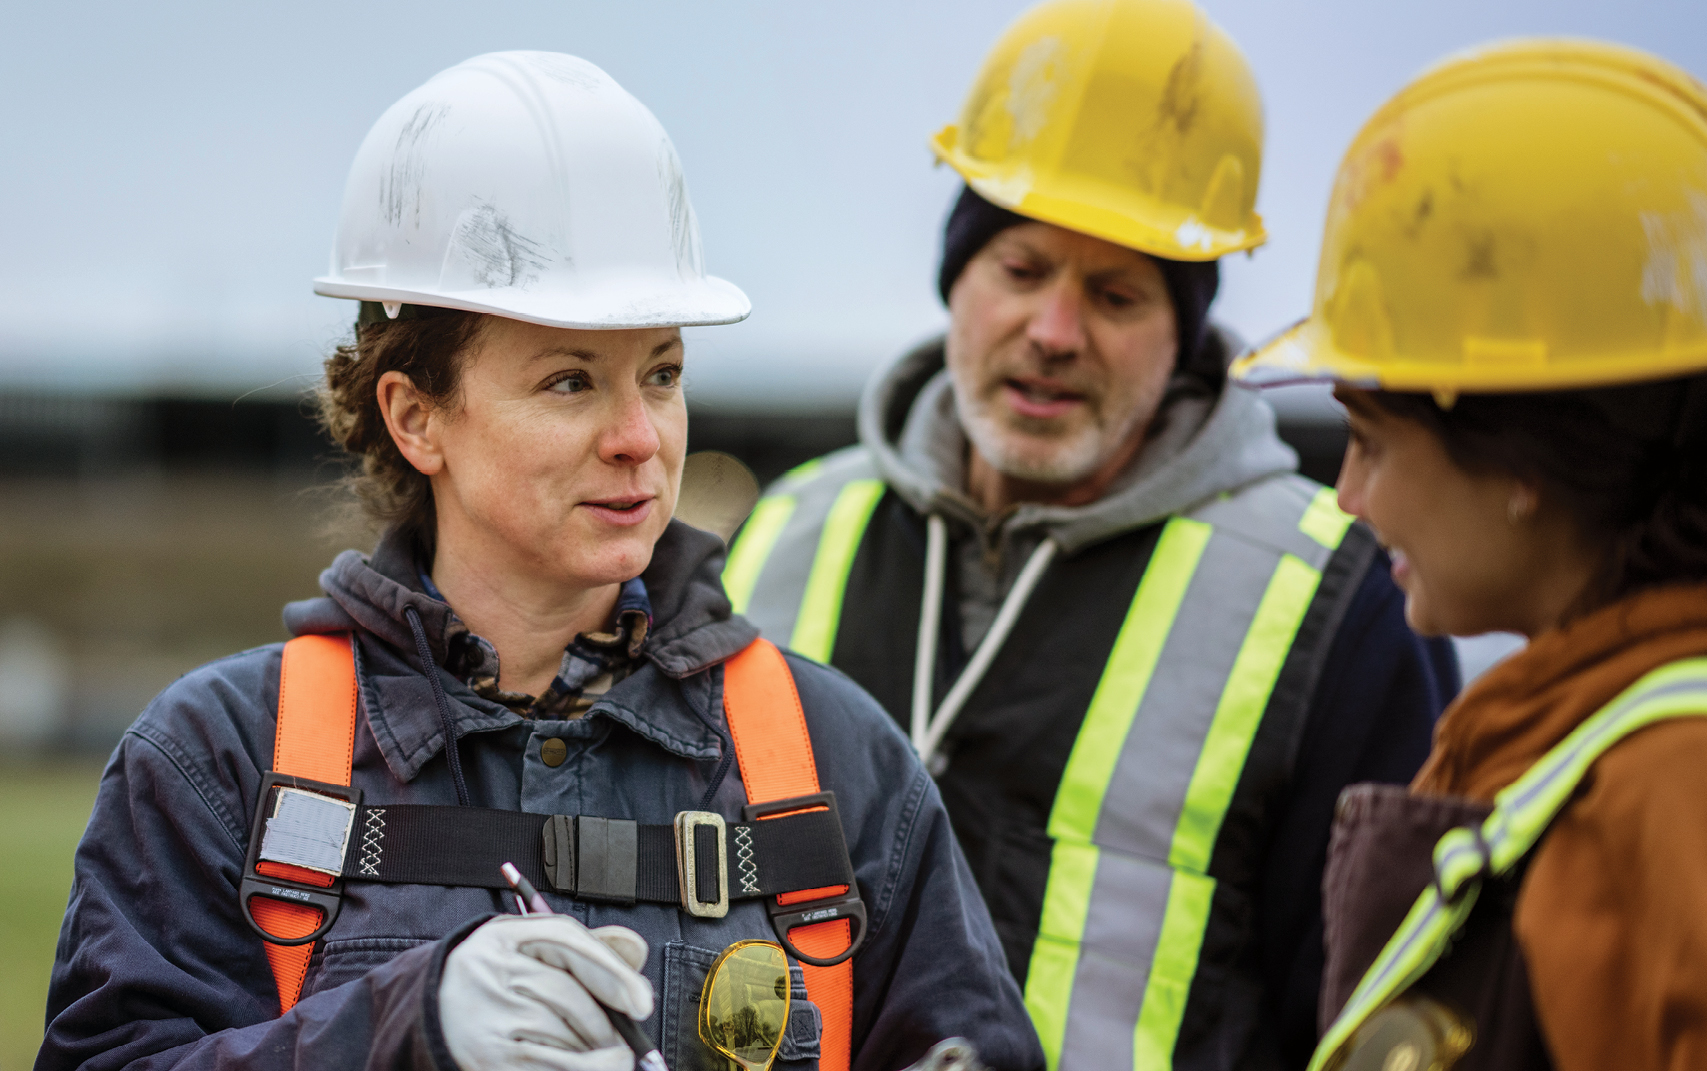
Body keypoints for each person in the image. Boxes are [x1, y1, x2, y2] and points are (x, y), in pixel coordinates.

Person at [37, 52, 1042, 1071]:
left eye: (662, 373)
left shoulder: (833, 764)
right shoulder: (226, 763)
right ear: (417, 416)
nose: (639, 438)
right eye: (570, 382)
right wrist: (405, 1028)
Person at [722, 1, 1458, 1067]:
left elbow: (1377, 1010)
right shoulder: (787, 532)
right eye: (1020, 271)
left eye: (1115, 294)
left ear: (1184, 330)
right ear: (957, 281)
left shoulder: (1338, 597)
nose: (1055, 333)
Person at [1232, 38, 1707, 1071]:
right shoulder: (1569, 735)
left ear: (1520, 458)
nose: (1348, 499)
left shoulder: (1675, 787)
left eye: (1370, 441)